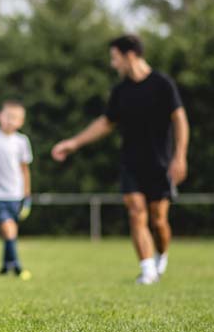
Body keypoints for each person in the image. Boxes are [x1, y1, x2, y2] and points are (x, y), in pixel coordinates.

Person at [51, 34, 190, 285]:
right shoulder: (120, 91)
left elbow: (180, 120)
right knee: (136, 212)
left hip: (160, 162)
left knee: (158, 220)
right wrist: (73, 143)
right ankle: (147, 270)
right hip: (131, 162)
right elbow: (105, 123)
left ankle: (161, 255)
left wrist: (180, 156)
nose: (113, 64)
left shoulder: (162, 84)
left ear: (130, 55)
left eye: (115, 58)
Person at [0, 100, 33, 280]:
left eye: (16, 118)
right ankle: (16, 265)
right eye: (8, 116)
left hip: (15, 193)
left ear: (21, 121)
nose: (11, 121)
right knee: (8, 229)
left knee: (8, 231)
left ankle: (5, 266)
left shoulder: (21, 141)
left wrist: (27, 195)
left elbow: (24, 169)